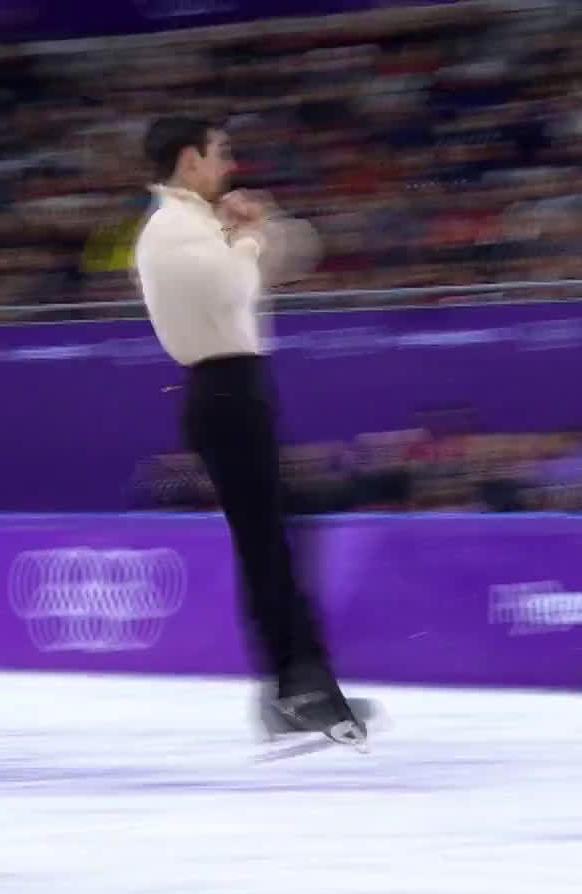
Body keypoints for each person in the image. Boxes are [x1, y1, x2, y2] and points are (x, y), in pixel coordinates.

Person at [132, 115, 368, 750]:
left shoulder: (200, 224)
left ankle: (298, 686)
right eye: (220, 154)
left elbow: (293, 259)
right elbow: (236, 287)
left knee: (276, 538)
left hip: (238, 389)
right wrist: (249, 236)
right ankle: (297, 691)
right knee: (266, 544)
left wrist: (260, 226)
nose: (229, 166)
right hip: (223, 391)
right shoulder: (173, 228)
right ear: (189, 160)